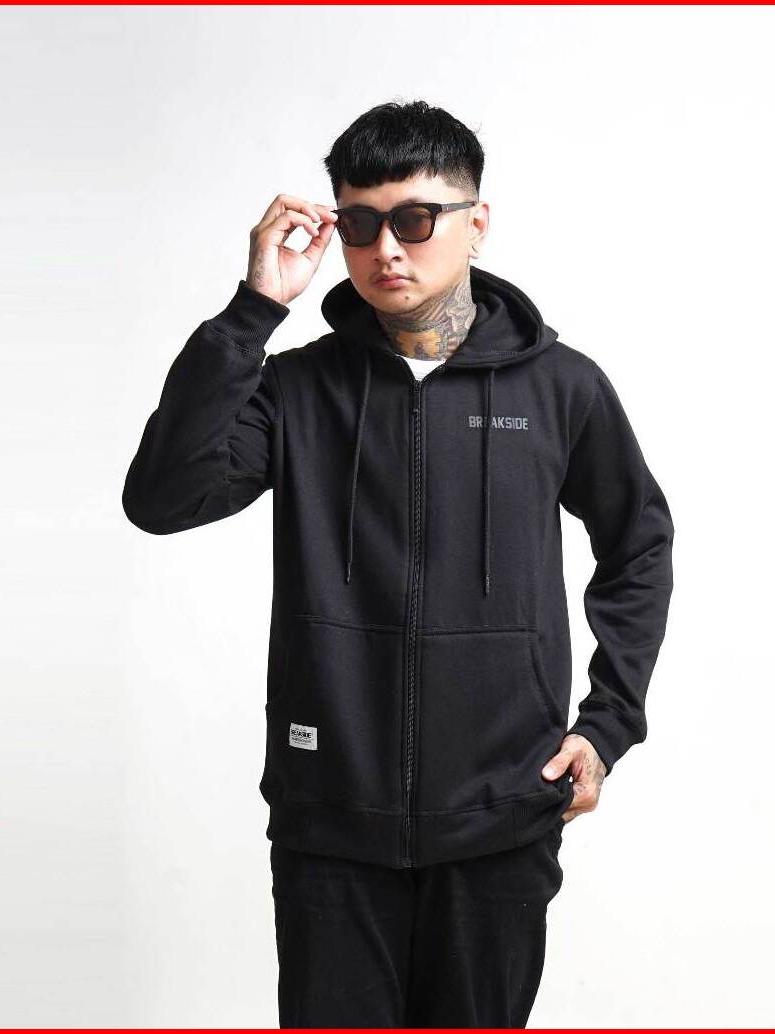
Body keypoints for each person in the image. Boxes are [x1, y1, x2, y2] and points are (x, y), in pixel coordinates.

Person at [122, 99, 675, 1028]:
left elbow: (639, 544)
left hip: (501, 821)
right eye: (360, 223)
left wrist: (608, 723)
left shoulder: (561, 387)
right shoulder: (298, 388)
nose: (386, 249)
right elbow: (161, 499)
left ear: (476, 223)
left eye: (415, 220)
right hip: (331, 824)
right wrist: (254, 312)